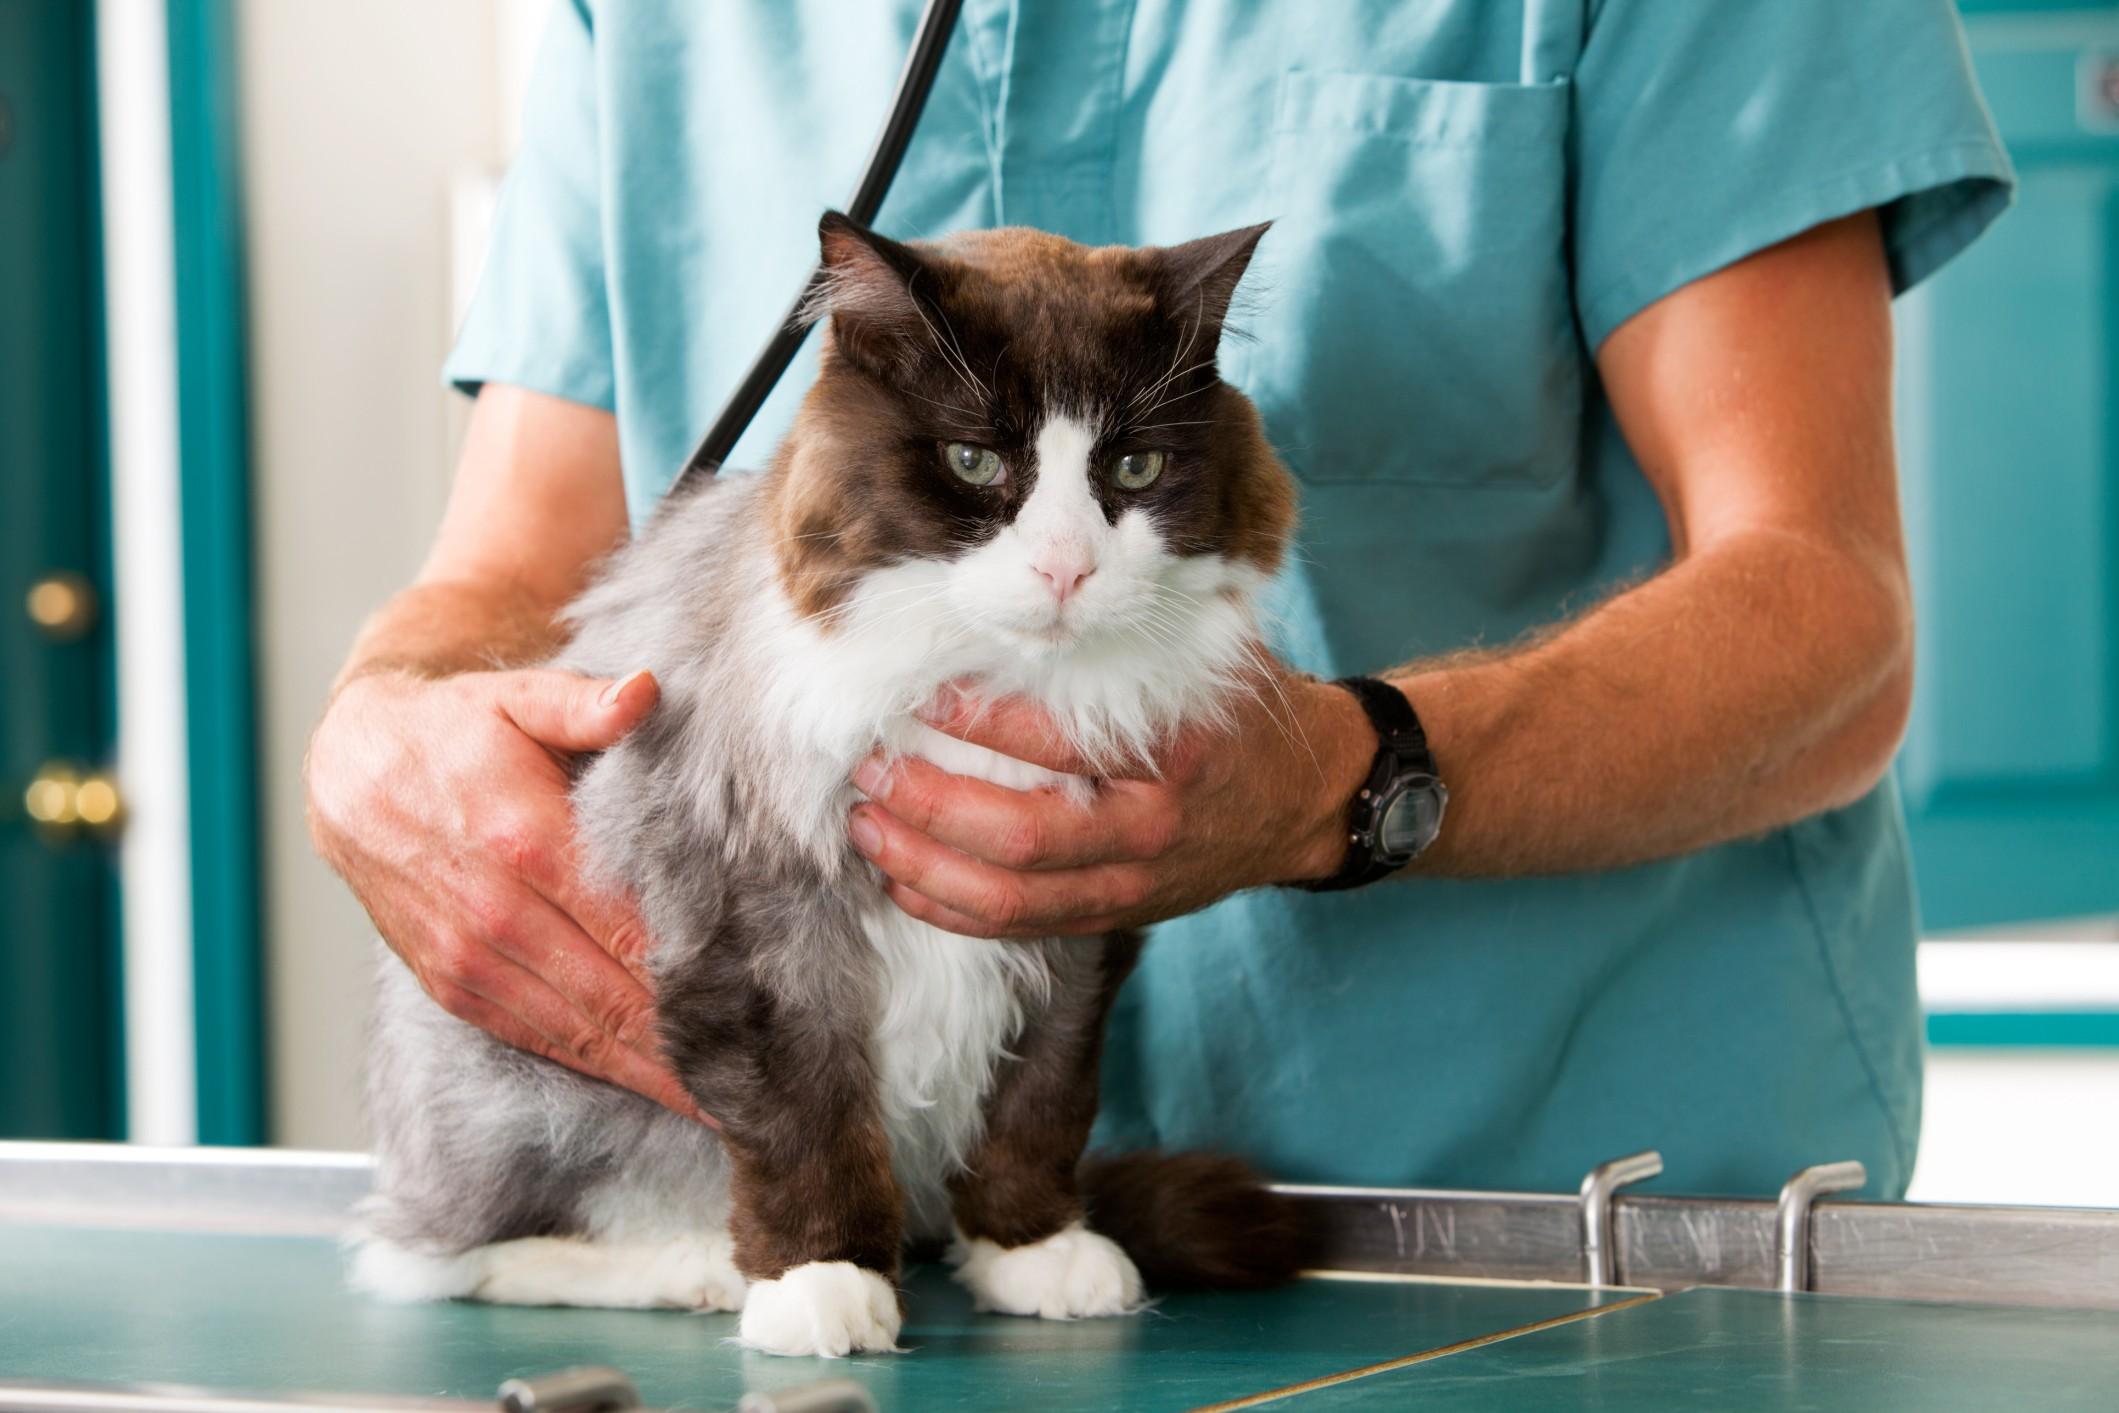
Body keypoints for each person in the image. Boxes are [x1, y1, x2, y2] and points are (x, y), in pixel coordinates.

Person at [307, 1, 2012, 1198]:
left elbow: (1828, 617)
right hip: (905, 1250)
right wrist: (378, 731)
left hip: (1561, 1220)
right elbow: (514, 579)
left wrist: (1344, 780)